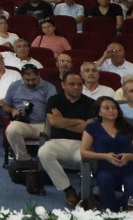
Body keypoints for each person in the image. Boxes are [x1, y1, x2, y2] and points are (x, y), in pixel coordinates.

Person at [39, 73, 97, 207]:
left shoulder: (91, 103)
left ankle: (85, 194)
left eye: (79, 85)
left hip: (82, 144)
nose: (76, 87)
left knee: (87, 159)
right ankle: (68, 189)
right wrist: (78, 121)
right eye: (72, 84)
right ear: (63, 85)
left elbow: (86, 128)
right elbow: (53, 122)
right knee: (44, 152)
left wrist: (62, 120)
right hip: (57, 142)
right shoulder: (54, 100)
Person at [79, 96, 133, 209]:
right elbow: (84, 152)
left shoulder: (129, 127)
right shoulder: (92, 128)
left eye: (114, 108)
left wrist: (129, 156)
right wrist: (105, 156)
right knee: (104, 180)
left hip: (130, 168)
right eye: (106, 108)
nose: (111, 110)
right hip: (106, 168)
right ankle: (110, 212)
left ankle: (122, 210)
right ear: (99, 113)